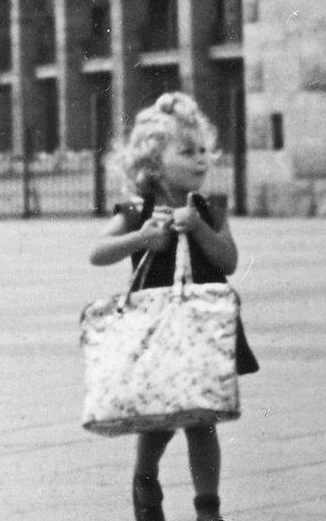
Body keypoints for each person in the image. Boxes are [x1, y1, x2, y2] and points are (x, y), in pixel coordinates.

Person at [90, 92, 258, 521]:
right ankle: (145, 476)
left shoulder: (210, 208)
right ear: (154, 162)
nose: (202, 160)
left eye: (204, 150)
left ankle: (208, 509)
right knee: (159, 416)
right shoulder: (136, 210)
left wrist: (199, 228)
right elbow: (99, 252)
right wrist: (143, 237)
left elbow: (229, 261)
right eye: (188, 151)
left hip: (201, 327)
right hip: (155, 329)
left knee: (202, 419)